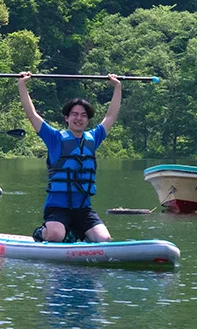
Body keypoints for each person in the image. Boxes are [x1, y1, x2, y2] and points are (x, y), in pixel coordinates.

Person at [17, 72, 122, 243]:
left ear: (87, 120)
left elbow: (110, 116)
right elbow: (32, 115)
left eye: (83, 115)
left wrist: (117, 87)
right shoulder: (55, 139)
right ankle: (42, 233)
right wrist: (22, 85)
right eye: (75, 114)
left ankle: (75, 233)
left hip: (83, 209)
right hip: (57, 208)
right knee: (56, 235)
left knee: (104, 239)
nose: (79, 118)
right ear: (66, 117)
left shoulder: (93, 139)